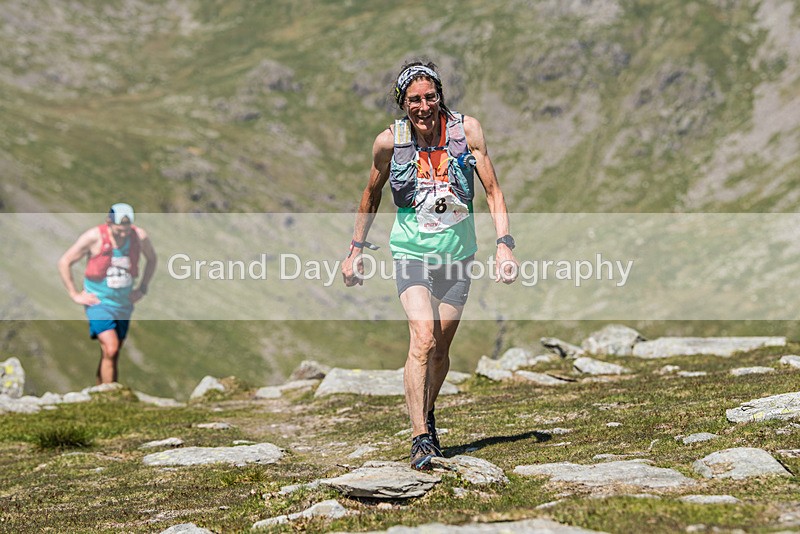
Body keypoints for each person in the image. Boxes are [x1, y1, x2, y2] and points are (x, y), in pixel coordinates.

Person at [342, 61, 518, 470]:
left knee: (440, 350)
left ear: (440, 96)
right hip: (411, 252)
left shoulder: (467, 131)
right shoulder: (390, 142)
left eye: (429, 97)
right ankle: (420, 436)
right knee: (422, 339)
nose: (423, 107)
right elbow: (370, 195)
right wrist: (355, 250)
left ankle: (427, 410)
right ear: (402, 103)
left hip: (458, 254)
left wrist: (505, 246)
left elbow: (492, 192)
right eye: (413, 100)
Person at [58, 203, 157, 384]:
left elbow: (152, 259)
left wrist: (142, 288)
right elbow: (65, 261)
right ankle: (111, 397)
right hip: (98, 302)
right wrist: (74, 293)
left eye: (126, 231)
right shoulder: (93, 237)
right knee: (111, 349)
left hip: (124, 304)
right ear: (109, 222)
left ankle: (101, 394)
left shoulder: (139, 237)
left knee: (112, 352)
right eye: (119, 231)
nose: (123, 235)